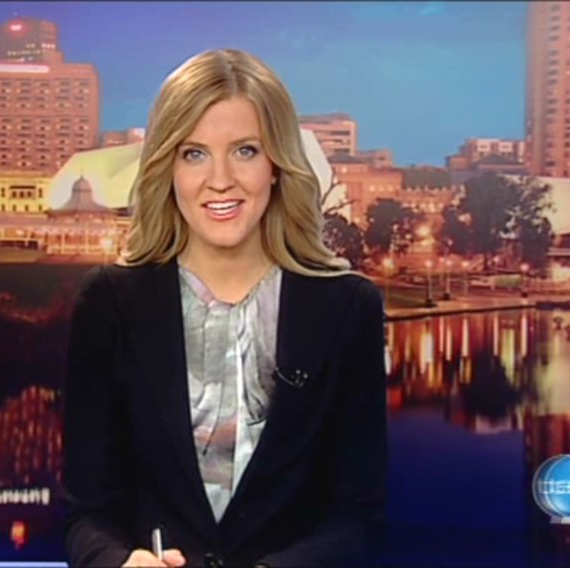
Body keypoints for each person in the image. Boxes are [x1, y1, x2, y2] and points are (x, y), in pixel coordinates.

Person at [62, 48, 387, 568]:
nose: (219, 180)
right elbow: (85, 514)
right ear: (167, 167)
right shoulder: (109, 303)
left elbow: (359, 517)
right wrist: (119, 561)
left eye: (245, 151)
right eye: (194, 153)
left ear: (277, 164)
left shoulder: (347, 308)